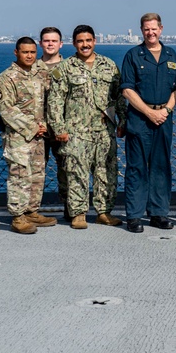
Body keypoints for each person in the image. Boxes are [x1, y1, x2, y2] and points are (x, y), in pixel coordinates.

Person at [48, 25, 126, 230]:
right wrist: (59, 128)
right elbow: (55, 101)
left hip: (104, 130)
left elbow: (118, 97)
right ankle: (78, 213)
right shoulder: (65, 68)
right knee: (76, 173)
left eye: (89, 40)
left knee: (106, 172)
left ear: (95, 41)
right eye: (81, 41)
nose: (85, 44)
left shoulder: (108, 65)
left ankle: (104, 212)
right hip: (76, 131)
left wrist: (123, 121)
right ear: (74, 43)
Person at [120, 13, 176, 233]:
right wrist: (149, 112)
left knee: (161, 167)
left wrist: (165, 111)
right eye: (146, 29)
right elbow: (127, 89)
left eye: (154, 28)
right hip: (139, 119)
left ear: (161, 29)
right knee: (137, 168)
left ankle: (158, 213)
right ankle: (134, 216)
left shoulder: (171, 54)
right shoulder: (133, 55)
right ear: (141, 30)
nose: (151, 32)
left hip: (163, 119)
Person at [0, 37, 58, 234]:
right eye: (25, 52)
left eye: (32, 52)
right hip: (19, 137)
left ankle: (31, 211)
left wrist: (46, 126)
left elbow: (51, 101)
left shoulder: (41, 74)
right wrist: (33, 127)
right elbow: (7, 110)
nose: (29, 56)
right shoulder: (7, 78)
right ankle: (18, 216)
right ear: (16, 53)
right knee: (20, 176)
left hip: (40, 137)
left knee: (37, 175)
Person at [38, 26, 69, 219]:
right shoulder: (32, 68)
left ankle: (70, 208)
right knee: (36, 171)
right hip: (39, 129)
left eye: (54, 41)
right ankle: (32, 210)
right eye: (46, 40)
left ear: (60, 44)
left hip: (63, 128)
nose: (50, 44)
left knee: (67, 170)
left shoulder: (69, 67)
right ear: (41, 43)